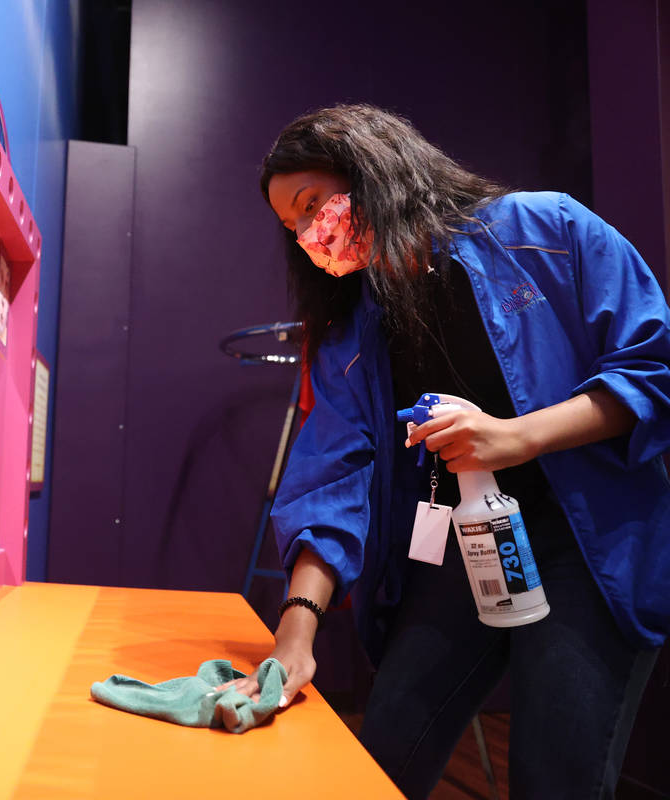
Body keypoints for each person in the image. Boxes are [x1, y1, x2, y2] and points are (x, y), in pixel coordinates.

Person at [220, 104, 670, 798]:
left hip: (590, 547)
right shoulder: (353, 331)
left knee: (555, 778)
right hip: (469, 544)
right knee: (382, 758)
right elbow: (331, 476)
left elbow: (653, 369)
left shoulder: (545, 230)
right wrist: (295, 634)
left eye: (313, 204)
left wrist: (518, 435)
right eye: (293, 226)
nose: (312, 234)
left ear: (373, 166)